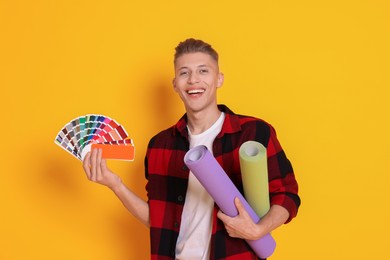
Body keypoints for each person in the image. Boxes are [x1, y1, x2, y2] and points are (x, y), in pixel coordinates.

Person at [83, 38, 300, 260]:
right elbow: (157, 220)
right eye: (184, 73)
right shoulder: (160, 145)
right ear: (175, 83)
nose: (193, 80)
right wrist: (115, 184)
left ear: (219, 79)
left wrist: (258, 230)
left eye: (203, 71)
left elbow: (287, 195)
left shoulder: (253, 133)